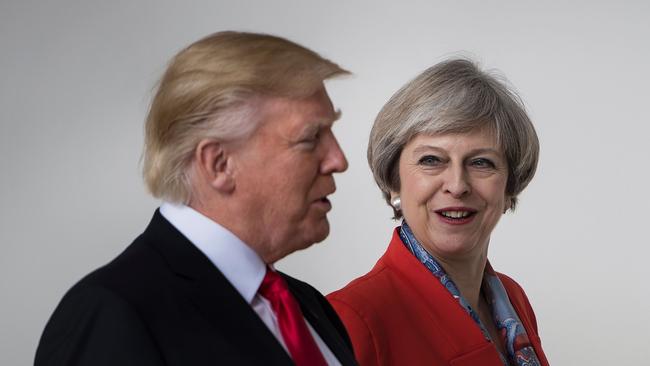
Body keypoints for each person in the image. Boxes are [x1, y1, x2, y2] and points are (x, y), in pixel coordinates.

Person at [35, 31, 357, 366]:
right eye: (310, 138)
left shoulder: (307, 306)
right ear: (219, 164)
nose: (338, 159)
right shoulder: (112, 313)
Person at [328, 59, 550, 366]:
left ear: (509, 187)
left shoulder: (513, 299)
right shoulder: (350, 319)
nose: (457, 185)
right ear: (394, 182)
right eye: (431, 160)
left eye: (481, 162)